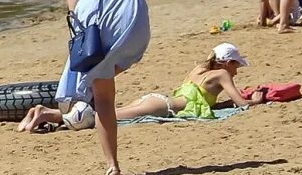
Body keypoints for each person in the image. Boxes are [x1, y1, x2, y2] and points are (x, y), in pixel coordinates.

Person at [53, 0, 157, 175]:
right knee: (114, 67)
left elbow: (74, 8)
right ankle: (94, 83)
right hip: (130, 15)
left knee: (103, 96)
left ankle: (113, 167)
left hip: (94, 24)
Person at [21, 43, 264, 130]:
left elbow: (205, 101)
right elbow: (241, 104)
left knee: (106, 116)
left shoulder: (200, 69)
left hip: (159, 99)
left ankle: (40, 114)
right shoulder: (222, 74)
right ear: (228, 62)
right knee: (103, 119)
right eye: (236, 65)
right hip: (163, 106)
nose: (236, 70)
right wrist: (257, 99)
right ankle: (45, 114)